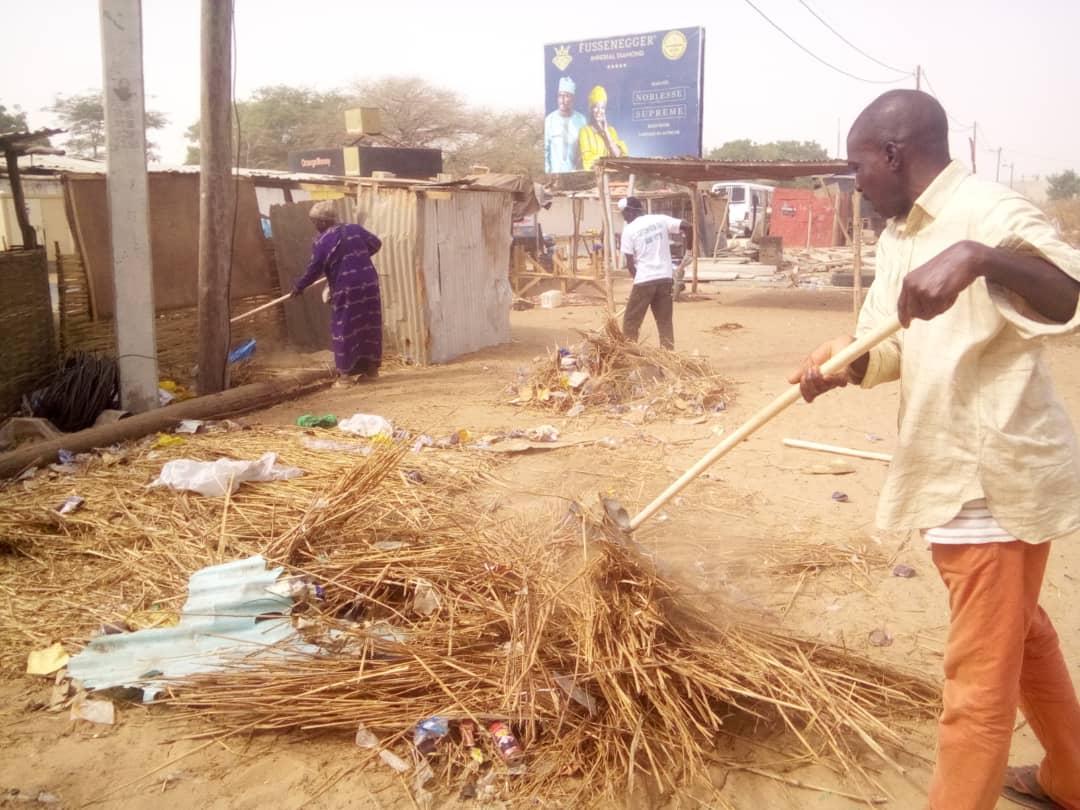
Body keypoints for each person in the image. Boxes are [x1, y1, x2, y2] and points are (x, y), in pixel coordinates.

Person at [788, 89, 1080, 810]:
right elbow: (887, 346)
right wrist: (845, 365)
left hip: (992, 477)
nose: (856, 186)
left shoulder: (988, 212)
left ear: (893, 155)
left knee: (977, 688)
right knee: (1023, 632)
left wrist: (981, 260)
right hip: (942, 465)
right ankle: (1072, 779)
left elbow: (1072, 296)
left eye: (859, 168)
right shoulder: (896, 237)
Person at [291, 200, 384, 380]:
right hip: (369, 283)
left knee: (344, 328)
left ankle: (345, 377)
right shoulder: (355, 229)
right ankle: (371, 371)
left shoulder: (322, 241)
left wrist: (299, 286)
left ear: (324, 221)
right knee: (368, 324)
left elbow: (314, 269)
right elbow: (376, 243)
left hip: (346, 287)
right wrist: (359, 257)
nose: (315, 225)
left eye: (315, 222)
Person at [618, 196, 691, 350]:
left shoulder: (629, 230)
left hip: (644, 280)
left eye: (623, 213)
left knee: (631, 322)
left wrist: (638, 283)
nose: (623, 217)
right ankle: (668, 359)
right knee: (664, 322)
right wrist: (689, 252)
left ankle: (629, 357)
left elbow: (631, 265)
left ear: (630, 211)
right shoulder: (660, 219)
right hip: (665, 279)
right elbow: (687, 226)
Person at [544, 76, 587, 173]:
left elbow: (584, 150)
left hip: (576, 176)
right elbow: (545, 151)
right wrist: (548, 173)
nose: (562, 100)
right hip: (555, 176)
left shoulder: (581, 120)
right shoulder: (549, 120)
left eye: (566, 96)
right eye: (560, 95)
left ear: (573, 98)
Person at [579, 86, 628, 171]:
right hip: (593, 177)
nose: (599, 111)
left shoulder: (611, 131)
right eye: (596, 107)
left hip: (613, 176)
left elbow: (618, 157)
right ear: (591, 109)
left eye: (602, 108)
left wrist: (606, 132)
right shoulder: (584, 132)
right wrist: (610, 165)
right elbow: (588, 163)